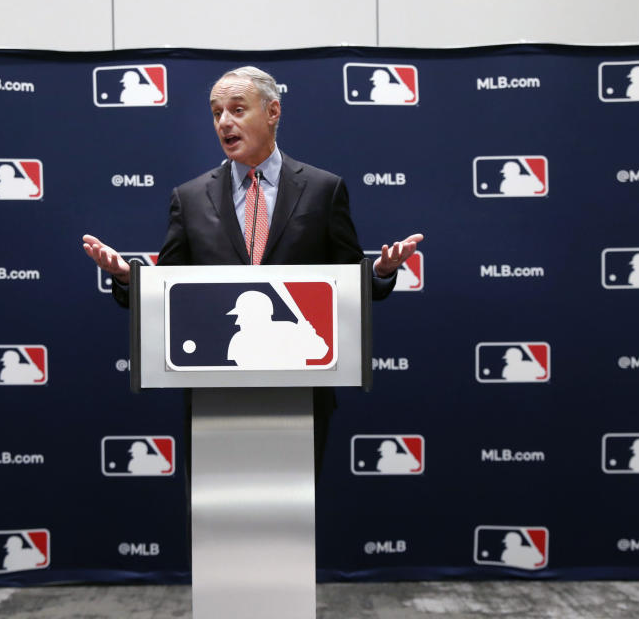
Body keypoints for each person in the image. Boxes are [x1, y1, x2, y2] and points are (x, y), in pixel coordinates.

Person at [82, 65, 423, 474]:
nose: (224, 122)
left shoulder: (322, 189)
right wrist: (127, 277)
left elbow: (349, 280)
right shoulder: (189, 198)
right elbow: (169, 290)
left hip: (299, 389)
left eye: (238, 109)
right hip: (215, 391)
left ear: (273, 111)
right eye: (216, 112)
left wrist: (379, 271)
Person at [225, 290, 328, 369]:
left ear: (260, 314)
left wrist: (308, 336)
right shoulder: (239, 339)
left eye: (243, 315)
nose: (237, 321)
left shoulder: (290, 329)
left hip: (297, 390)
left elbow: (321, 352)